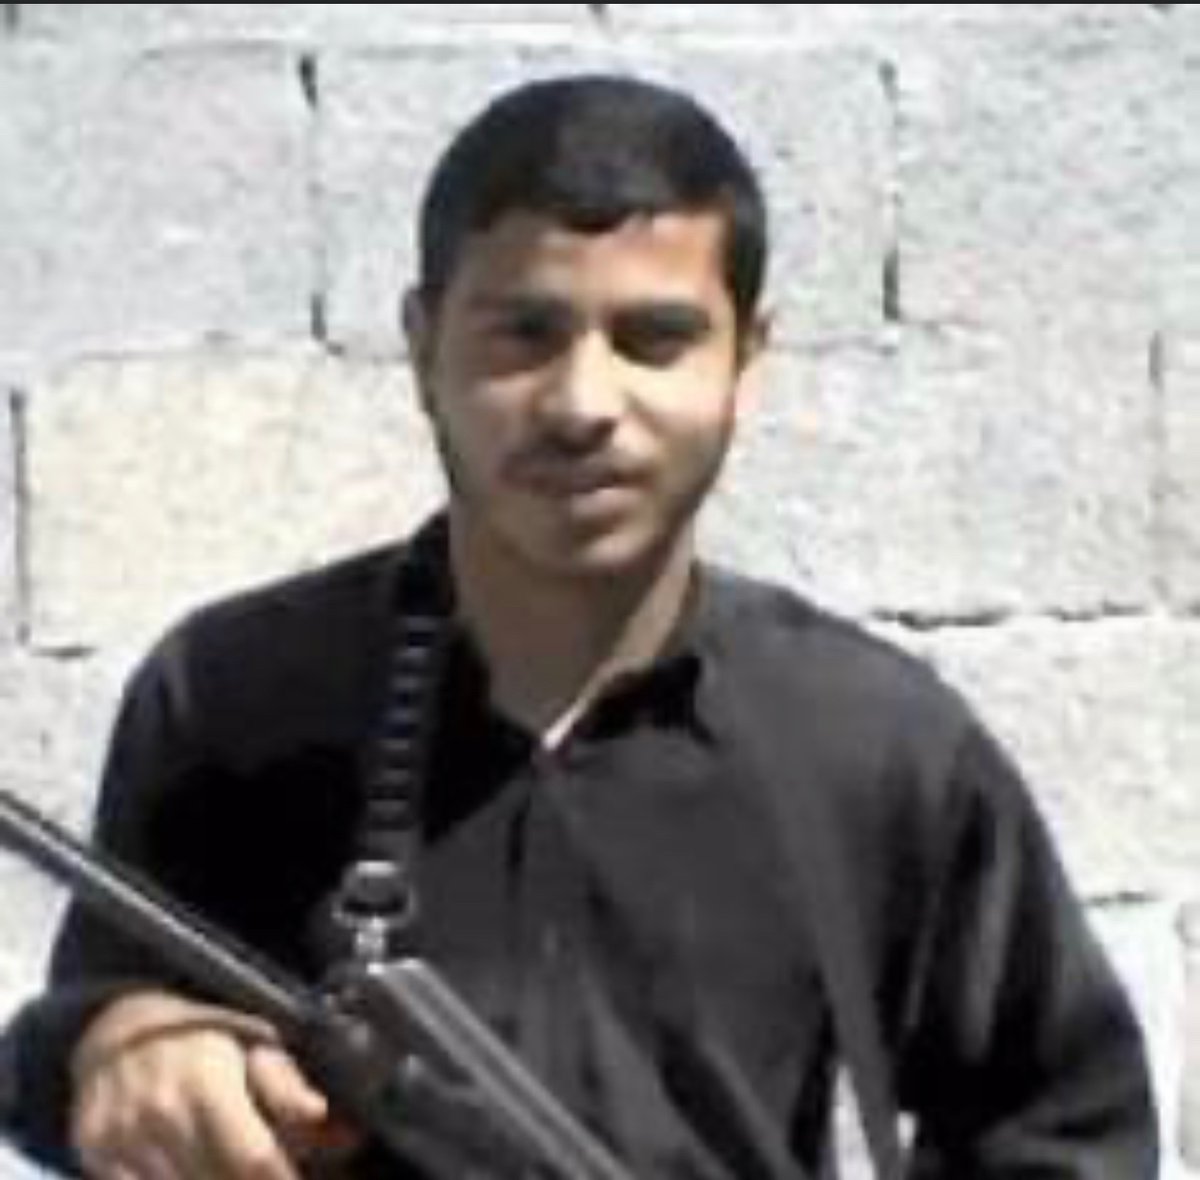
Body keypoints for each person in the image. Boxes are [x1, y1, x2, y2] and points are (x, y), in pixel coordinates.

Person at [0, 72, 1157, 1178]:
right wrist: (122, 1053)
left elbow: (1067, 1127)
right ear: (423, 346)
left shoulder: (878, 744)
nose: (583, 404)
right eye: (523, 333)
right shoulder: (232, 696)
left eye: (655, 338)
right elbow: (80, 1034)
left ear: (747, 362)